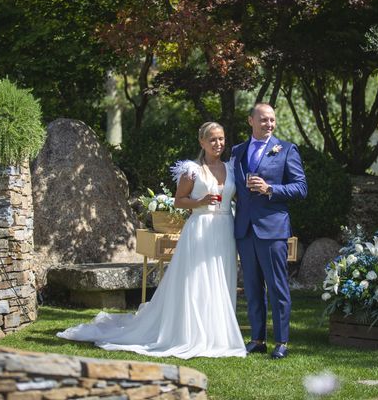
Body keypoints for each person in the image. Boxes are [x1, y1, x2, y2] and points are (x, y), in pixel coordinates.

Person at [57, 122, 246, 359]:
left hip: (224, 229)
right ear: (202, 142)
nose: (218, 143)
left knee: (221, 277)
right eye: (213, 139)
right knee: (197, 280)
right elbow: (179, 201)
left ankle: (219, 334)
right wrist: (200, 201)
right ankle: (191, 334)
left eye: (221, 138)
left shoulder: (231, 169)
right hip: (200, 229)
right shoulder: (192, 170)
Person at [231, 103, 307, 359]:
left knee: (277, 287)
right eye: (264, 120)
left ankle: (282, 341)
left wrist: (270, 189)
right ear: (250, 120)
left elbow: (300, 188)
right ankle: (257, 338)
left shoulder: (286, 150)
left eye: (272, 120)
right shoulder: (237, 151)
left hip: (272, 229)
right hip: (244, 229)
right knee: (252, 287)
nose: (269, 124)